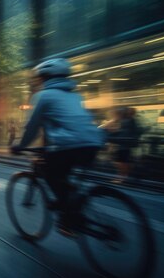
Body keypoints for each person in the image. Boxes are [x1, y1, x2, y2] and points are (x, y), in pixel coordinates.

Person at [11, 58, 104, 234]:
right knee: (65, 178)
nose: (38, 81)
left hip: (67, 145)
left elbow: (32, 126)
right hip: (93, 142)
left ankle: (68, 218)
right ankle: (71, 207)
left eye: (39, 78)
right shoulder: (76, 96)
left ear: (45, 77)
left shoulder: (43, 96)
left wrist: (20, 145)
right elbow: (68, 122)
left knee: (50, 173)